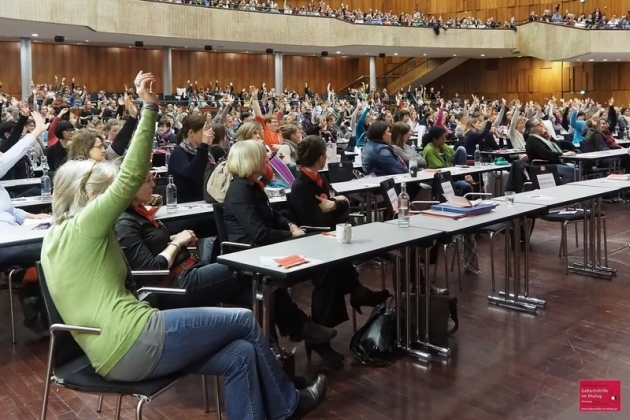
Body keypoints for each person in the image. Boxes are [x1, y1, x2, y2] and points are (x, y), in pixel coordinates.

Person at [41, 72, 326, 420]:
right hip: (132, 340)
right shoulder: (84, 227)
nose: (113, 200)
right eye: (104, 194)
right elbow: (129, 175)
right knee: (244, 319)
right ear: (88, 197)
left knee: (240, 354)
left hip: (111, 348)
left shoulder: (52, 238)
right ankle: (289, 405)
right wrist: (148, 109)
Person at [115, 170, 336, 344]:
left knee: (260, 296)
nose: (153, 185)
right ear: (131, 186)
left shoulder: (139, 214)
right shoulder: (125, 222)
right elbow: (152, 270)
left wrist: (173, 239)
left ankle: (276, 356)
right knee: (255, 269)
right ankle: (298, 327)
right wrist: (176, 242)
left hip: (189, 271)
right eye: (147, 181)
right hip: (177, 285)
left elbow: (151, 246)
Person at [223, 140, 390, 367]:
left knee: (331, 262)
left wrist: (290, 225)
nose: (267, 159)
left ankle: (319, 326)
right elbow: (259, 233)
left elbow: (273, 216)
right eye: (263, 156)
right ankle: (319, 323)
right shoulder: (240, 191)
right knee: (327, 265)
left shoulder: (253, 187)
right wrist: (293, 236)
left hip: (267, 248)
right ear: (251, 160)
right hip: (252, 256)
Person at [0, 110, 51, 335]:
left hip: (15, 235)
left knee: (55, 239)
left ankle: (32, 294)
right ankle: (32, 293)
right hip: (4, 245)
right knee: (55, 245)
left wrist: (33, 217)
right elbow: (12, 155)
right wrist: (37, 131)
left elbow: (8, 211)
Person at [168, 114, 214, 202]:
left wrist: (207, 147)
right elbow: (192, 173)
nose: (208, 135)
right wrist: (204, 146)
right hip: (186, 202)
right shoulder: (178, 153)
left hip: (204, 200)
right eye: (204, 132)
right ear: (191, 133)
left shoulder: (205, 152)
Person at [422, 126, 472, 195]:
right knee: (466, 186)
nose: (445, 140)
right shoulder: (429, 150)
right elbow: (438, 168)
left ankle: (462, 174)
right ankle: (456, 197)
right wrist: (453, 168)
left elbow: (453, 156)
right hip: (441, 178)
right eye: (442, 138)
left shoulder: (443, 146)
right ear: (434, 139)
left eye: (445, 137)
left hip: (451, 172)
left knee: (461, 149)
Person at [525, 119, 576, 183]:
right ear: (532, 129)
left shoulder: (542, 138)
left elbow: (558, 147)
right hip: (544, 166)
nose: (542, 125)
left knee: (577, 168)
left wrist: (549, 137)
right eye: (538, 124)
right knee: (573, 171)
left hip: (553, 163)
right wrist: (563, 154)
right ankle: (562, 186)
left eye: (541, 123)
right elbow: (545, 153)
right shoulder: (532, 140)